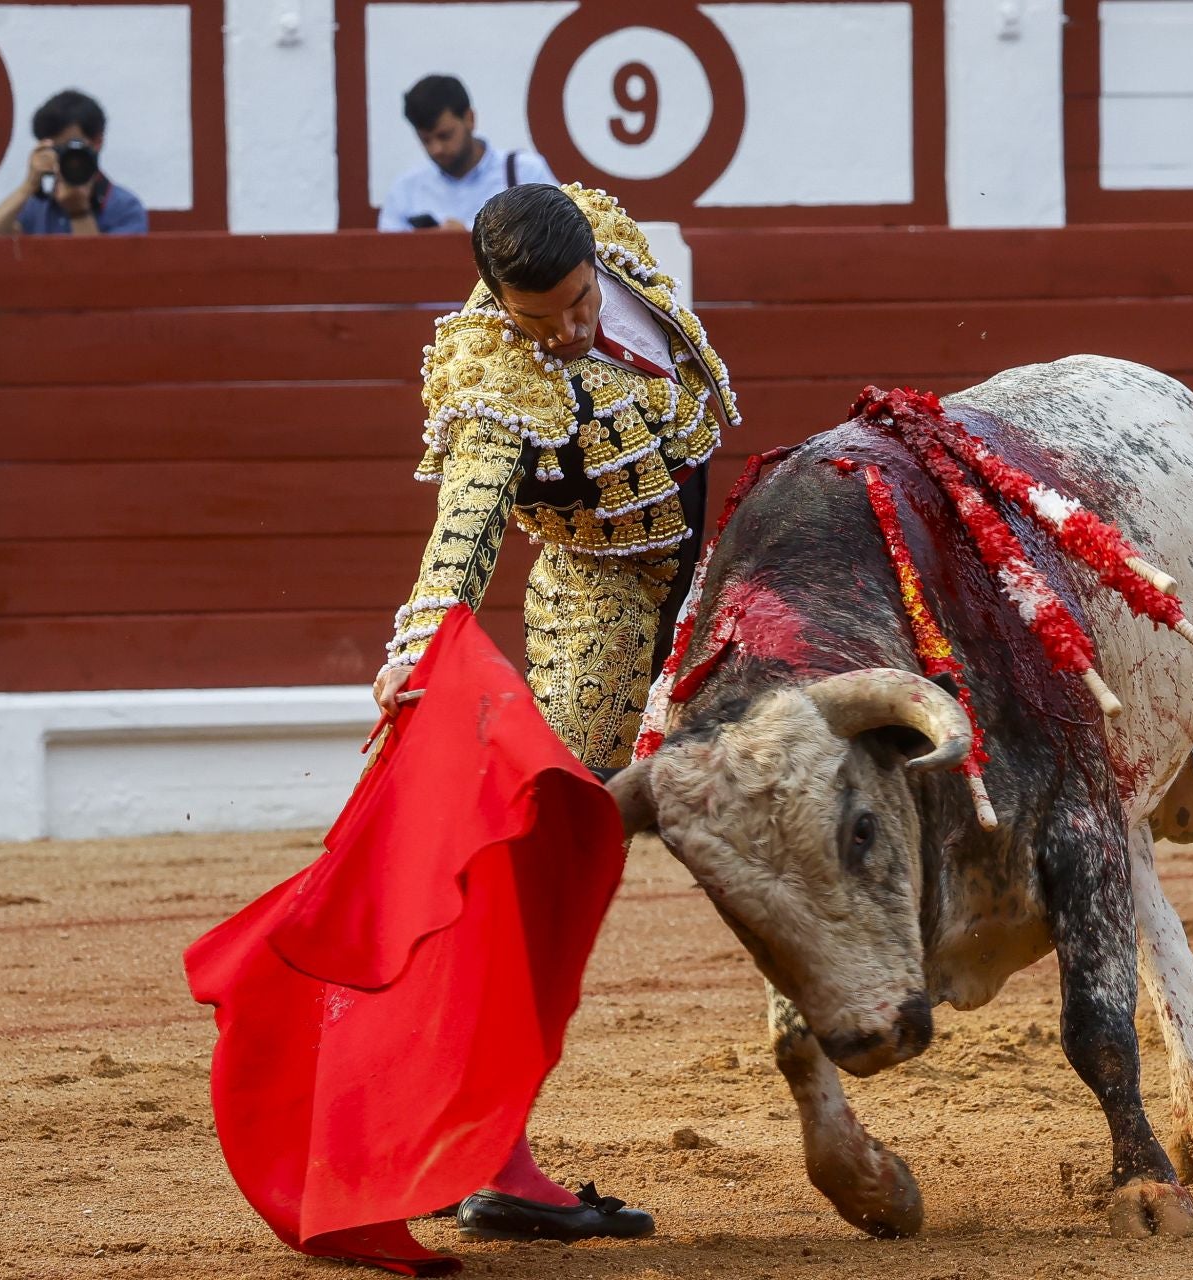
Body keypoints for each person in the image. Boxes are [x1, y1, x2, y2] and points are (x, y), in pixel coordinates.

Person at [373, 182, 740, 1238]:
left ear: (596, 266)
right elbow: (466, 525)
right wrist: (417, 643)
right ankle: (488, 1150)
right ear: (497, 302)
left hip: (708, 575)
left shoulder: (606, 237)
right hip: (601, 612)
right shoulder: (495, 381)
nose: (569, 333)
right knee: (538, 873)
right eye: (538, 321)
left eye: (578, 305)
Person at [376, 74, 558, 232]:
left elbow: (561, 235)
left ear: (470, 118)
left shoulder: (525, 173)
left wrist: (466, 237)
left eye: (444, 135)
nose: (436, 149)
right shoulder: (405, 191)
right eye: (426, 140)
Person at [0, 90, 147, 237]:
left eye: (72, 148)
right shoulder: (38, 205)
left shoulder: (125, 208)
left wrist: (79, 213)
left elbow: (97, 272)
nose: (67, 158)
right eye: (56, 149)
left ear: (97, 142)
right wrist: (28, 186)